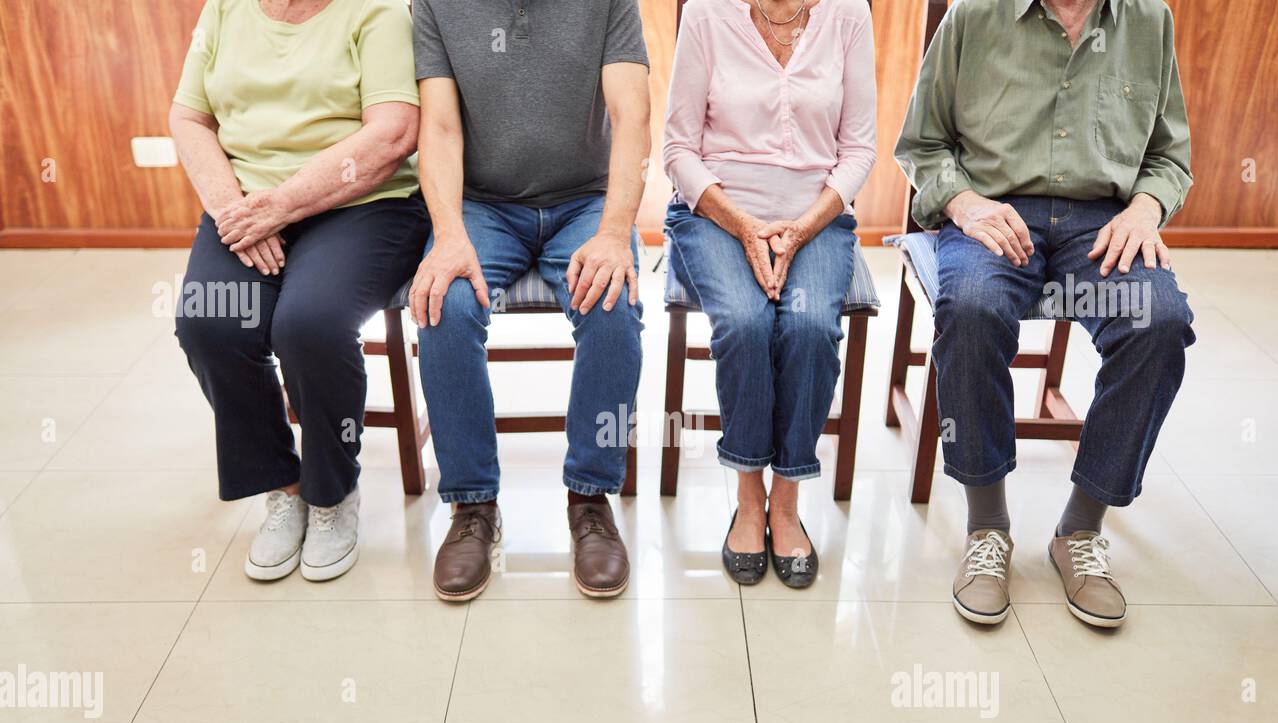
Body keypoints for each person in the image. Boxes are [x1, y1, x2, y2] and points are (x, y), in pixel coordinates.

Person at [895, 0, 1195, 627]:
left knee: (1159, 322)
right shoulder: (973, 15)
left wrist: (1145, 210)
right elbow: (922, 144)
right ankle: (987, 529)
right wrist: (965, 204)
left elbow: (1169, 157)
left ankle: (1079, 531)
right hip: (994, 213)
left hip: (1102, 222)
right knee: (972, 308)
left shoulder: (1150, 20)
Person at [171, 0, 427, 582]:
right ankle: (284, 486)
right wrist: (235, 211)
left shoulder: (378, 11)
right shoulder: (225, 9)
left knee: (308, 324)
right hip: (242, 204)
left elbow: (393, 133)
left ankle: (333, 493)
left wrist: (279, 206)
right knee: (209, 323)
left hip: (362, 206)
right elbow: (189, 118)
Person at [408, 0, 651, 602]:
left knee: (613, 308)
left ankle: (590, 500)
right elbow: (437, 126)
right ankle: (472, 506)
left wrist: (616, 233)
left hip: (585, 203)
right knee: (446, 306)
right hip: (482, 208)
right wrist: (449, 235)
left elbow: (632, 115)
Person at [663, 0, 877, 587]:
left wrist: (803, 226)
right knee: (745, 322)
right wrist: (744, 226)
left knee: (808, 328)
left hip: (818, 214)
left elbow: (859, 149)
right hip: (715, 212)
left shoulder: (849, 14)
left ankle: (787, 498)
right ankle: (749, 493)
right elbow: (678, 149)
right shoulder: (706, 14)